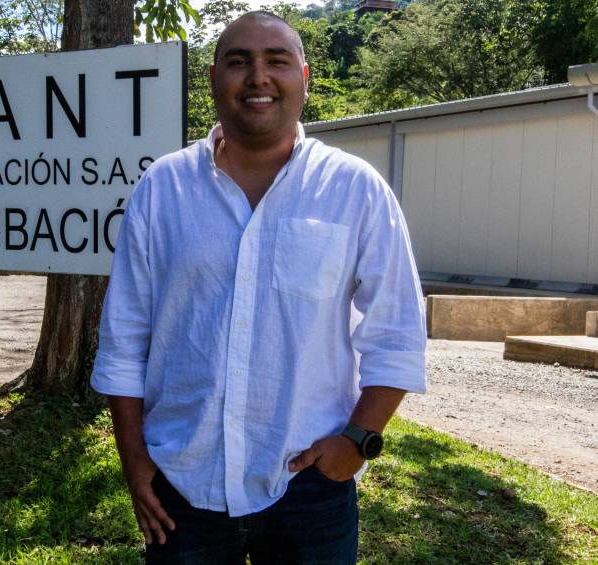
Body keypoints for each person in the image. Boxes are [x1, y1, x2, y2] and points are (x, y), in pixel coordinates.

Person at [91, 10, 426, 564]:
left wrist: (358, 442)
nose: (258, 77)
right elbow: (125, 335)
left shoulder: (354, 189)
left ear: (305, 76)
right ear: (213, 78)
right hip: (182, 487)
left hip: (310, 489)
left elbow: (398, 333)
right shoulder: (162, 188)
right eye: (238, 61)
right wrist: (134, 460)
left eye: (277, 61)